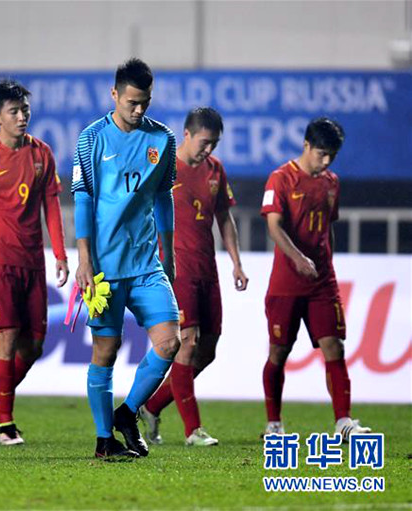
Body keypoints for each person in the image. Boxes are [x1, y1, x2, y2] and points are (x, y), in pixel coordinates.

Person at [72, 58, 181, 460]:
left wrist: (167, 253)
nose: (138, 110)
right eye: (132, 102)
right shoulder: (91, 139)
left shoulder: (163, 140)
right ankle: (105, 441)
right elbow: (82, 199)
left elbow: (163, 196)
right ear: (114, 94)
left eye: (145, 103)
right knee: (106, 349)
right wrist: (84, 259)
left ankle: (127, 412)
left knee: (171, 342)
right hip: (103, 267)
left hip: (147, 263)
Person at [0, 79, 69, 446]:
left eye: (25, 110)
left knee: (34, 346)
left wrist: (60, 253)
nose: (22, 116)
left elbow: (51, 205)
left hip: (33, 263)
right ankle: (4, 423)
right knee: (5, 342)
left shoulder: (42, 154)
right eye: (14, 111)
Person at [138, 107, 248, 447]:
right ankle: (192, 430)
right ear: (186, 134)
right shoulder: (162, 166)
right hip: (176, 268)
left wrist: (236, 262)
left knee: (208, 350)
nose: (208, 149)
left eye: (214, 144)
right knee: (187, 343)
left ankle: (152, 406)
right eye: (204, 142)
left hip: (207, 269)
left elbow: (225, 219)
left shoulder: (216, 170)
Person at [260, 117, 371, 441]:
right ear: (306, 145)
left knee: (334, 346)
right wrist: (299, 258)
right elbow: (274, 226)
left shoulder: (331, 182)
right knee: (279, 353)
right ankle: (274, 423)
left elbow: (327, 228)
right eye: (321, 153)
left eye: (331, 156)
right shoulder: (280, 178)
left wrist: (327, 265)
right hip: (286, 281)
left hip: (322, 282)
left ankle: (344, 422)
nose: (325, 161)